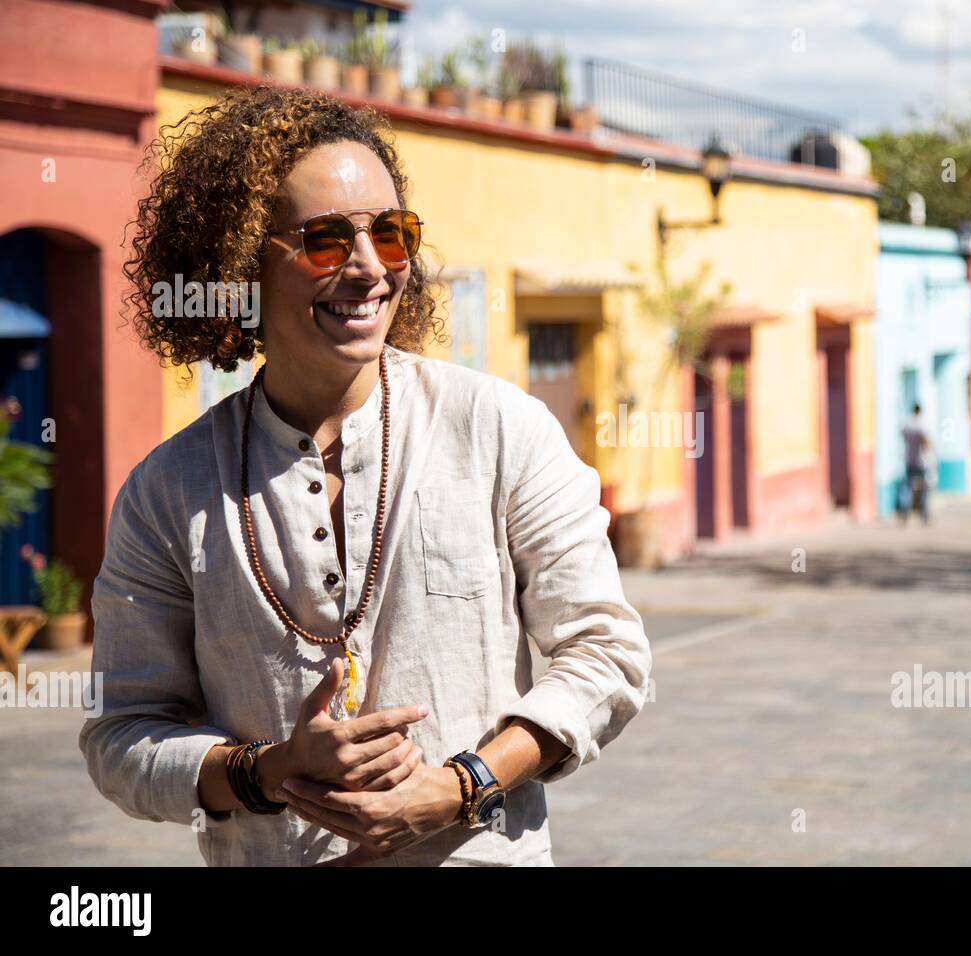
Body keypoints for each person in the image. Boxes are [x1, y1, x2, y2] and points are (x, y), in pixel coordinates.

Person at [79, 86, 652, 866]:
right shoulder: (168, 491)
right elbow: (122, 736)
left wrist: (463, 785)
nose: (369, 266)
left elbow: (606, 653)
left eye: (391, 233)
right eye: (323, 240)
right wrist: (266, 772)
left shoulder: (499, 429)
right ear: (240, 262)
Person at [899, 404, 930, 525]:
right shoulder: (921, 425)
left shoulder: (907, 424)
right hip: (921, 461)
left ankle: (904, 510)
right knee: (923, 488)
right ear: (920, 412)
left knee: (908, 487)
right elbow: (925, 441)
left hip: (910, 460)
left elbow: (902, 435)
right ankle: (924, 513)